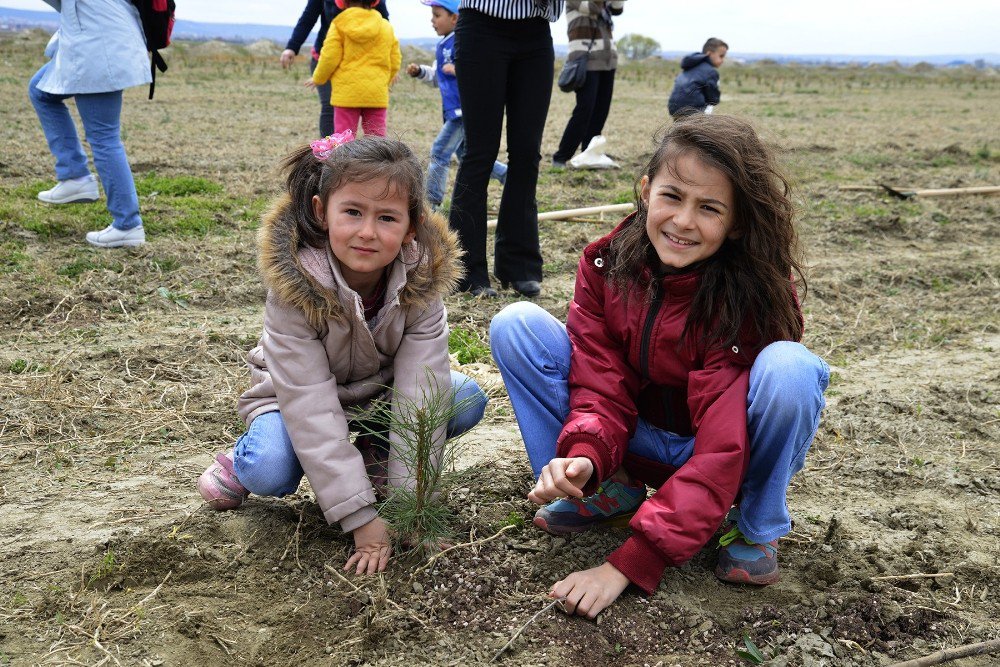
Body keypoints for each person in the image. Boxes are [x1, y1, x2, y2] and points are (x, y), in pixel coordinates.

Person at [491, 114, 829, 617]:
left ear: (736, 222)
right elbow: (599, 385)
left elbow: (722, 444)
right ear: (646, 191)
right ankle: (605, 488)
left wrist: (629, 563)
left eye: (709, 207)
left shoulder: (752, 297)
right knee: (516, 324)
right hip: (637, 438)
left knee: (791, 370)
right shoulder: (606, 265)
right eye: (672, 196)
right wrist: (587, 452)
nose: (684, 221)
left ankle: (753, 526)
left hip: (719, 454)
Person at [197, 134, 488, 574]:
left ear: (412, 227)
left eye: (387, 218)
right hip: (293, 400)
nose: (368, 232)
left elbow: (420, 396)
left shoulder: (421, 285)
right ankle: (241, 463)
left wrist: (410, 507)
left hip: (377, 396)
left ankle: (376, 456)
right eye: (352, 212)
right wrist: (360, 517)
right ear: (322, 211)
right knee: (270, 470)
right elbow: (310, 406)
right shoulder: (295, 289)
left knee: (463, 396)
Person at [448, 0, 566, 299]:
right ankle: (465, 268)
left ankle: (520, 265)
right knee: (480, 152)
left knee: (527, 154)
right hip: (482, 26)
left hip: (536, 31)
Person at [28, 0, 150, 248]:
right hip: (102, 40)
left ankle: (127, 224)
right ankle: (74, 175)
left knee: (104, 137)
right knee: (40, 91)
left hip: (97, 47)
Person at [405, 0, 507, 211]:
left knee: (439, 151)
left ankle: (431, 203)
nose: (432, 20)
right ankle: (506, 175)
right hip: (452, 111)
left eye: (437, 15)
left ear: (454, 17)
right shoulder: (443, 44)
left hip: (464, 110)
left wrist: (461, 69)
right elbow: (437, 77)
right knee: (465, 155)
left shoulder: (464, 40)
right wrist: (420, 72)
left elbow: (484, 71)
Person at [280, 0, 390, 138]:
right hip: (326, 57)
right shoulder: (338, 25)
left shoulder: (340, 23)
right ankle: (329, 157)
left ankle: (347, 155)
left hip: (361, 63)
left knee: (345, 120)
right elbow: (308, 18)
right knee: (330, 107)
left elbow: (384, 27)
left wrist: (388, 71)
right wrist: (292, 47)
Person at [308, 0, 401, 138]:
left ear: (343, 3)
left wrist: (318, 78)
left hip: (346, 94)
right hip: (376, 92)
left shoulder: (339, 24)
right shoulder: (385, 26)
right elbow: (395, 59)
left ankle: (343, 160)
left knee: (343, 140)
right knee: (377, 140)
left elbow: (329, 57)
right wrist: (385, 81)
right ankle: (377, 160)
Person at [551, 0, 624, 168]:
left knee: (601, 111)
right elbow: (591, 7)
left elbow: (617, 9)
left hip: (608, 60)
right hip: (586, 60)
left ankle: (589, 154)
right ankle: (561, 157)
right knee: (585, 109)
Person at [667, 37, 728, 119]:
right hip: (693, 112)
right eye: (721, 56)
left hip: (674, 109)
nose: (723, 60)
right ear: (709, 53)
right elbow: (713, 99)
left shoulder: (690, 66)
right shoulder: (711, 72)